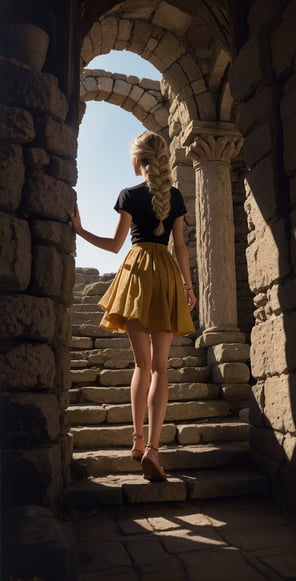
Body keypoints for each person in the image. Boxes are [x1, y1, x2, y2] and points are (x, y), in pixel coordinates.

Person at [69, 130, 197, 482]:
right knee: (160, 368)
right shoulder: (174, 196)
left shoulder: (128, 194)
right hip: (167, 275)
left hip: (138, 273)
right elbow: (181, 246)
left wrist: (79, 230)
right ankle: (154, 451)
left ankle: (137, 441)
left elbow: (114, 246)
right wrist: (188, 286)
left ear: (138, 160)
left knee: (141, 365)